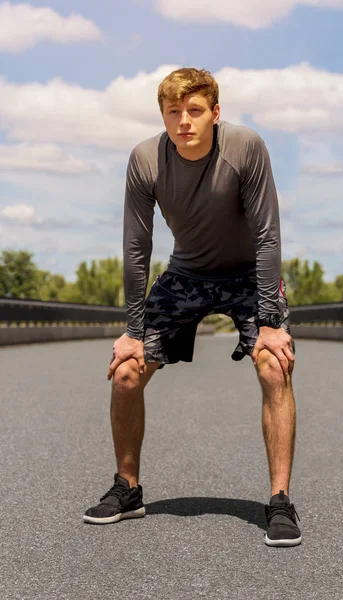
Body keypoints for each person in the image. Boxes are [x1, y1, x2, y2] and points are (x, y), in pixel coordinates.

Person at [83, 68, 301, 547]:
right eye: (174, 112)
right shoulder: (145, 159)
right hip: (185, 276)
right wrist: (132, 330)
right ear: (163, 116)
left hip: (248, 275)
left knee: (273, 366)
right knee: (126, 371)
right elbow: (137, 247)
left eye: (195, 111)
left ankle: (280, 501)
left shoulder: (246, 147)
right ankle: (128, 489)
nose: (184, 121)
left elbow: (267, 236)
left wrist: (269, 323)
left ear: (215, 113)